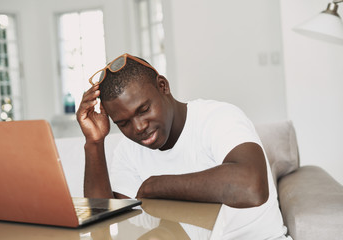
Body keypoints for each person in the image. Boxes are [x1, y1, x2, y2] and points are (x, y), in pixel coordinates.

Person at [76, 53, 291, 239]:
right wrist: (94, 143)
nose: (139, 127)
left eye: (143, 110)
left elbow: (252, 187)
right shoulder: (128, 151)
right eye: (123, 123)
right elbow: (105, 226)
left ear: (163, 86)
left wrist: (155, 186)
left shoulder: (218, 118)